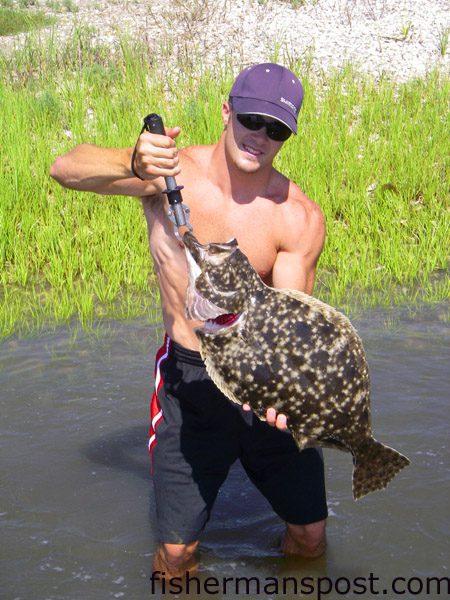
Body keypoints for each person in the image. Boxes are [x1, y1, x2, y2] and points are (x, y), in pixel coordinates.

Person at [50, 62, 327, 578]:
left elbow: (287, 323)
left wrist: (287, 391)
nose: (260, 137)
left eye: (277, 129)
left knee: (310, 536)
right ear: (227, 111)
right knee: (176, 557)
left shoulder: (297, 217)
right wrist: (130, 160)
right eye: (251, 120)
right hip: (190, 380)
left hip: (258, 380)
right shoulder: (167, 177)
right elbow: (65, 168)